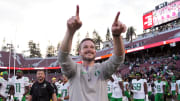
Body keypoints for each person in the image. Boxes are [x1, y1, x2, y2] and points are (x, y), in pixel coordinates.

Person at [58, 5, 126, 101]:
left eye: (92, 47)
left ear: (95, 52)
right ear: (79, 52)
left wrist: (117, 35)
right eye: (85, 47)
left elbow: (118, 58)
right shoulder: (73, 70)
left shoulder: (102, 69)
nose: (89, 49)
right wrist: (70, 31)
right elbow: (63, 57)